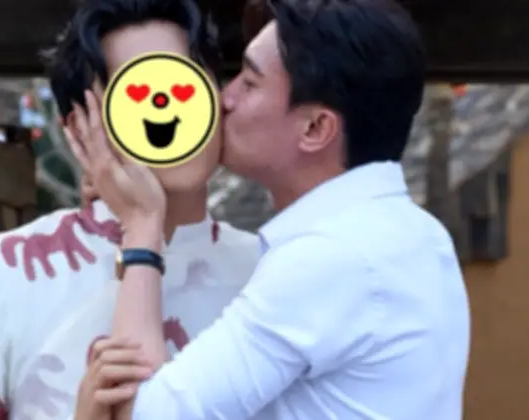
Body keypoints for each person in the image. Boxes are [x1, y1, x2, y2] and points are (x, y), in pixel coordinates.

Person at [68, 0, 471, 419]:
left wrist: (140, 227)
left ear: (315, 128)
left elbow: (145, 414)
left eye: (249, 82)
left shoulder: (330, 258)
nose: (223, 99)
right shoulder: (414, 235)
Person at [0, 0, 261, 418]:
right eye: (135, 91)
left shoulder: (273, 273)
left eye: (184, 84)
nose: (165, 105)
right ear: (77, 128)